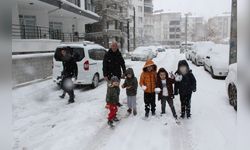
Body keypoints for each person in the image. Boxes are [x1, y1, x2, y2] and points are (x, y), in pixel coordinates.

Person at [103, 41, 126, 107]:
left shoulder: (119, 54)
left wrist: (124, 72)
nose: (114, 47)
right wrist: (105, 75)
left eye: (115, 46)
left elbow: (123, 64)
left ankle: (116, 101)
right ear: (111, 46)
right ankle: (108, 103)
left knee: (117, 90)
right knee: (110, 90)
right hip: (110, 76)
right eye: (113, 46)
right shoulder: (107, 54)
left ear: (117, 47)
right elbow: (104, 65)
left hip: (117, 75)